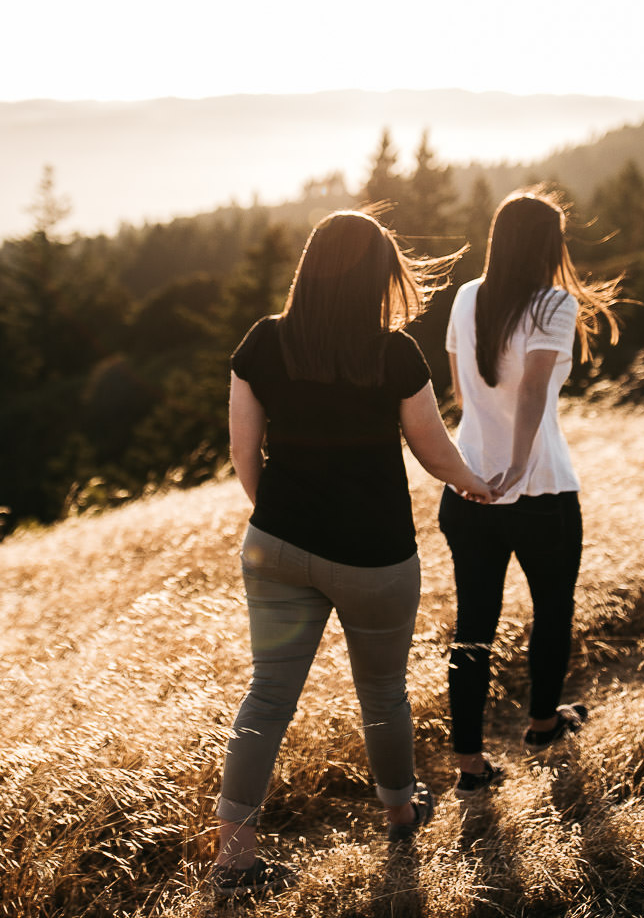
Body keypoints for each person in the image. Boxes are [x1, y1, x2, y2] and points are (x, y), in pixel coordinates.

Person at [212, 210, 499, 900]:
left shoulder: (264, 343)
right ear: (378, 277)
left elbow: (243, 455)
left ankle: (234, 858)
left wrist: (276, 519)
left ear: (309, 268)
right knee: (382, 692)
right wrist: (473, 482)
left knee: (268, 695)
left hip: (277, 545)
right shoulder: (394, 353)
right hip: (375, 558)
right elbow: (433, 449)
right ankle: (401, 812)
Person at [439, 188, 621, 799]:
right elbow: (535, 389)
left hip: (468, 488)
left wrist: (486, 460)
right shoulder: (554, 304)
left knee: (473, 624)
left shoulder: (466, 297)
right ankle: (543, 723)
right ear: (549, 245)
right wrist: (517, 465)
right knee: (552, 610)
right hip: (541, 487)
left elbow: (465, 390)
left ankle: (468, 763)